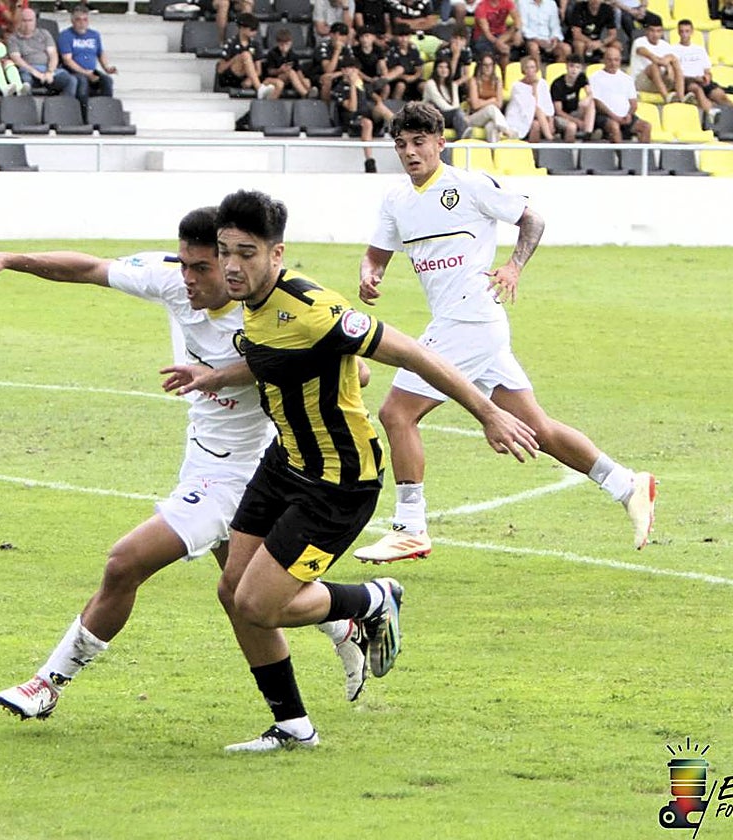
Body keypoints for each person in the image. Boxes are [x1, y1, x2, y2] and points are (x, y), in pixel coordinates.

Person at [0, 210, 379, 719]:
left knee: (125, 562)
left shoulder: (264, 309)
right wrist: (9, 260)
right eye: (186, 265)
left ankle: (48, 683)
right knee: (239, 596)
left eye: (203, 269)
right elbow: (88, 268)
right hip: (200, 460)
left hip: (249, 472)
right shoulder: (174, 279)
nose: (189, 279)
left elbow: (360, 371)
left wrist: (227, 374)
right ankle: (298, 712)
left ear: (234, 266)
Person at [215, 188, 539, 752]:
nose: (231, 265)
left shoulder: (315, 308)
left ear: (276, 253)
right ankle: (293, 726)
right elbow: (323, 367)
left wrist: (488, 412)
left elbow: (413, 353)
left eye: (246, 252)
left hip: (338, 481)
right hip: (285, 462)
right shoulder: (250, 303)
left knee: (256, 605)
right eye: (225, 252)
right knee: (230, 589)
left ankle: (369, 602)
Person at [355, 102, 656, 564]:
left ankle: (410, 527)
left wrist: (514, 265)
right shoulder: (396, 201)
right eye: (402, 145)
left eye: (420, 143)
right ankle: (626, 483)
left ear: (440, 143)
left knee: (397, 413)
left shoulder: (470, 186)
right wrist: (369, 272)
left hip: (471, 318)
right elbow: (377, 253)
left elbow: (532, 218)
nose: (411, 153)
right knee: (538, 427)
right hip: (464, 325)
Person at [674, 18, 733, 131]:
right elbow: (676, 73)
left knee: (721, 95)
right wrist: (695, 78)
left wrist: (707, 77)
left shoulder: (699, 49)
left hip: (702, 79)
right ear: (678, 32)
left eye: (687, 31)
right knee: (695, 88)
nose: (684, 34)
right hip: (686, 81)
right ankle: (710, 111)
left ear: (692, 32)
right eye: (682, 31)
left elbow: (707, 69)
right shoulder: (673, 49)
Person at [332, 57, 393, 171]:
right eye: (350, 68)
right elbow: (352, 107)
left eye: (354, 69)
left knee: (381, 108)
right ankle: (369, 161)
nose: (353, 72)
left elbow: (378, 99)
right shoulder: (338, 89)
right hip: (352, 121)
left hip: (367, 115)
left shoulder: (362, 85)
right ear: (344, 70)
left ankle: (404, 128)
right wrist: (352, 86)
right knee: (367, 123)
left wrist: (377, 102)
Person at [8, 6, 78, 98]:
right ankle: (27, 110)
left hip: (47, 69)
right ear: (19, 22)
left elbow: (53, 55)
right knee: (25, 83)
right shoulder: (13, 38)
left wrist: (50, 71)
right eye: (24, 20)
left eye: (30, 20)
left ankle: (62, 108)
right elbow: (17, 59)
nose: (27, 24)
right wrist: (36, 73)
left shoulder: (44, 34)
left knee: (71, 80)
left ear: (35, 21)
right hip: (27, 71)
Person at [589, 43, 651, 142]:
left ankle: (642, 157)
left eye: (616, 60)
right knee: (614, 126)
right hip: (604, 116)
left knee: (646, 126)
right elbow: (597, 103)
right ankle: (621, 157)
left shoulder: (627, 78)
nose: (613, 63)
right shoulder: (595, 77)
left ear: (620, 60)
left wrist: (629, 114)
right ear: (604, 60)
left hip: (625, 115)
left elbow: (633, 103)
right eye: (610, 60)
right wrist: (615, 117)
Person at [59, 4, 117, 108]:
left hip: (91, 70)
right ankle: (83, 113)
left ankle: (106, 110)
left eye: (85, 20)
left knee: (107, 81)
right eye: (78, 20)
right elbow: (67, 60)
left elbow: (100, 53)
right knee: (83, 82)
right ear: (72, 21)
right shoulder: (65, 35)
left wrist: (107, 68)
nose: (82, 23)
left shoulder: (94, 35)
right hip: (73, 71)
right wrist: (86, 73)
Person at [215, 12, 275, 98]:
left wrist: (250, 79)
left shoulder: (255, 45)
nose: (255, 32)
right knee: (245, 55)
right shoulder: (231, 43)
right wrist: (235, 59)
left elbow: (258, 70)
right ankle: (259, 88)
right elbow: (220, 69)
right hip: (230, 78)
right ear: (242, 28)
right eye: (252, 29)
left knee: (277, 83)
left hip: (247, 78)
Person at [504, 54, 563, 140]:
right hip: (521, 116)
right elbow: (526, 106)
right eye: (527, 67)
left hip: (540, 117)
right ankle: (550, 138)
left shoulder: (543, 83)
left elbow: (547, 103)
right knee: (536, 118)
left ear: (536, 68)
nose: (530, 70)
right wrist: (534, 88)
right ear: (523, 69)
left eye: (532, 67)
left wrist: (550, 119)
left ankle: (538, 149)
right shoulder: (517, 86)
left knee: (537, 123)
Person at [630, 12, 684, 103]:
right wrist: (668, 64)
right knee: (654, 66)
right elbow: (652, 58)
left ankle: (681, 97)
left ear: (662, 32)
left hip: (661, 81)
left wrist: (670, 64)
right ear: (646, 31)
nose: (655, 34)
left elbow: (673, 60)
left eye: (658, 31)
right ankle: (666, 97)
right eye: (652, 31)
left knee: (675, 61)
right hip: (642, 83)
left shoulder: (665, 45)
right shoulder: (639, 42)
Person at [466, 53, 515, 140]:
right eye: (485, 65)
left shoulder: (497, 81)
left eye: (490, 65)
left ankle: (494, 150)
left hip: (490, 117)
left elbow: (499, 104)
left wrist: (481, 102)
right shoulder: (473, 81)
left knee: (492, 127)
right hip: (474, 117)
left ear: (493, 66)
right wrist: (492, 100)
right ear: (480, 66)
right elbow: (475, 105)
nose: (487, 67)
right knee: (491, 108)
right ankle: (507, 131)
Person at [550, 53, 598, 140]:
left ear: (581, 69)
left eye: (577, 67)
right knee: (572, 127)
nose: (574, 70)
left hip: (574, 112)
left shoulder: (581, 77)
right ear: (566, 66)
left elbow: (590, 93)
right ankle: (569, 151)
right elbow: (558, 111)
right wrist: (577, 121)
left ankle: (587, 133)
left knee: (591, 102)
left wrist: (587, 99)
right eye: (571, 66)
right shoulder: (558, 84)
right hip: (560, 117)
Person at [423, 57, 471, 138]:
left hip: (449, 117)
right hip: (433, 117)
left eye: (446, 67)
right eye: (440, 67)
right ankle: (463, 135)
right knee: (458, 115)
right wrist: (460, 115)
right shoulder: (430, 84)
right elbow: (442, 106)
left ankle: (462, 137)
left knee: (459, 115)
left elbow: (456, 105)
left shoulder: (453, 85)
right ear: (436, 69)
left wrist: (460, 115)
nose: (444, 70)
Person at [472, 0, 523, 70]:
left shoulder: (507, 2)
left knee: (514, 30)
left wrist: (518, 32)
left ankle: (505, 74)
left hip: (501, 35)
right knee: (504, 50)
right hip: (483, 37)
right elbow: (487, 33)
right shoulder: (481, 6)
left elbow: (517, 18)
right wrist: (498, 43)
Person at [262, 28, 312, 99]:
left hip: (290, 80)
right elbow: (270, 71)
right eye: (282, 45)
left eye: (287, 44)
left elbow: (298, 71)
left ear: (291, 43)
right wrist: (280, 70)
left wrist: (303, 80)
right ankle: (305, 94)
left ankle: (309, 93)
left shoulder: (293, 55)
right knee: (290, 72)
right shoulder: (272, 54)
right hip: (275, 78)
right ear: (278, 43)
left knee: (306, 81)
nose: (284, 47)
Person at [518, 0, 567, 65]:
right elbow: (523, 26)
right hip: (531, 39)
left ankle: (558, 73)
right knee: (534, 48)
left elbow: (555, 26)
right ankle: (537, 73)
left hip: (548, 40)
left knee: (565, 49)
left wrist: (554, 38)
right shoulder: (522, 2)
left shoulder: (551, 3)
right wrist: (538, 40)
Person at [385, 23, 425, 100]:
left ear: (409, 36)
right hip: (398, 80)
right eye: (401, 36)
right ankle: (396, 109)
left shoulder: (413, 49)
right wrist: (404, 77)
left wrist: (414, 77)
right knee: (401, 85)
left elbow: (419, 67)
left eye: (406, 36)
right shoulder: (391, 51)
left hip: (413, 78)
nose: (403, 39)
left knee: (424, 86)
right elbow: (389, 71)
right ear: (396, 37)